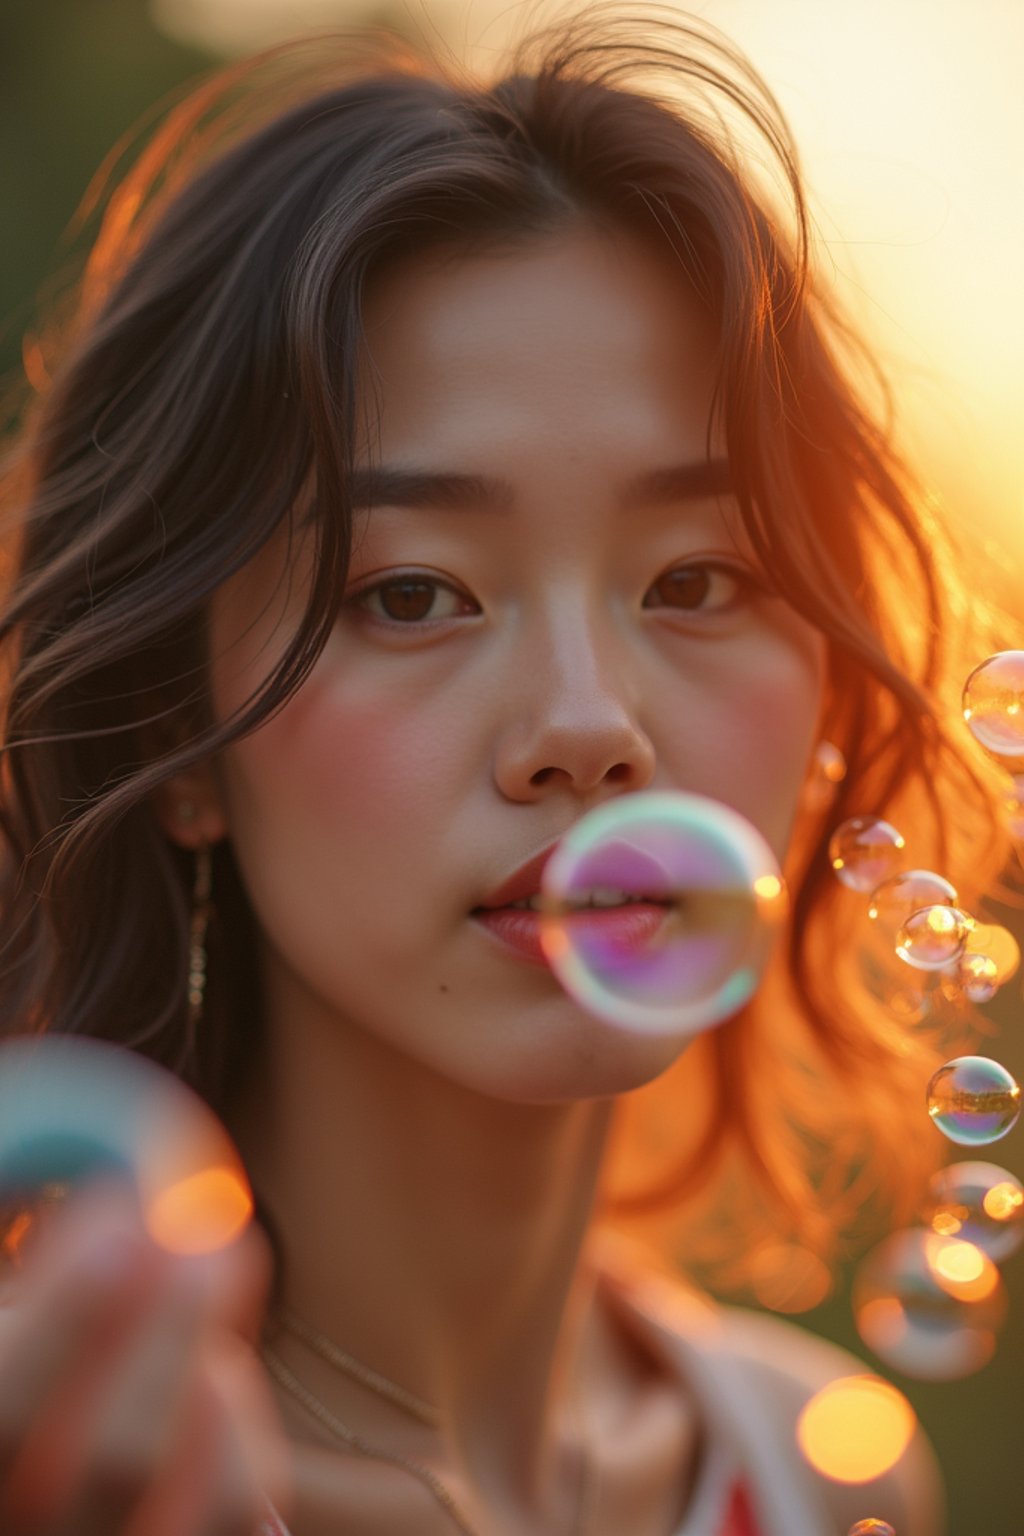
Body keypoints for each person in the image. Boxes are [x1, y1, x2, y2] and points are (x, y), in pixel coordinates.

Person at [0, 5, 1009, 1533]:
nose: (590, 722)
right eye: (410, 593)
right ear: (169, 734)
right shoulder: (68, 1469)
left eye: (699, 578)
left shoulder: (812, 1470)